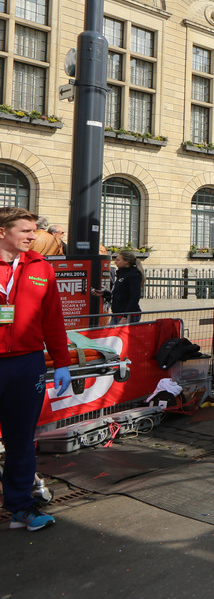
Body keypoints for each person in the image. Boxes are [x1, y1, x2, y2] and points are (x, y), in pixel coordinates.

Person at [0, 207, 72, 531]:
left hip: (27, 363)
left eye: (34, 230)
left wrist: (62, 362)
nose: (33, 236)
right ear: (3, 232)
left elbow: (53, 319)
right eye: (25, 230)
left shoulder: (41, 267)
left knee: (21, 440)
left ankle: (20, 507)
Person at [94, 250, 144, 324]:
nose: (115, 262)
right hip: (117, 314)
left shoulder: (133, 275)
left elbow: (135, 297)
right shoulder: (121, 274)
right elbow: (120, 294)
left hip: (127, 315)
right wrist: (105, 294)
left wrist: (125, 317)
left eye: (118, 260)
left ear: (126, 261)